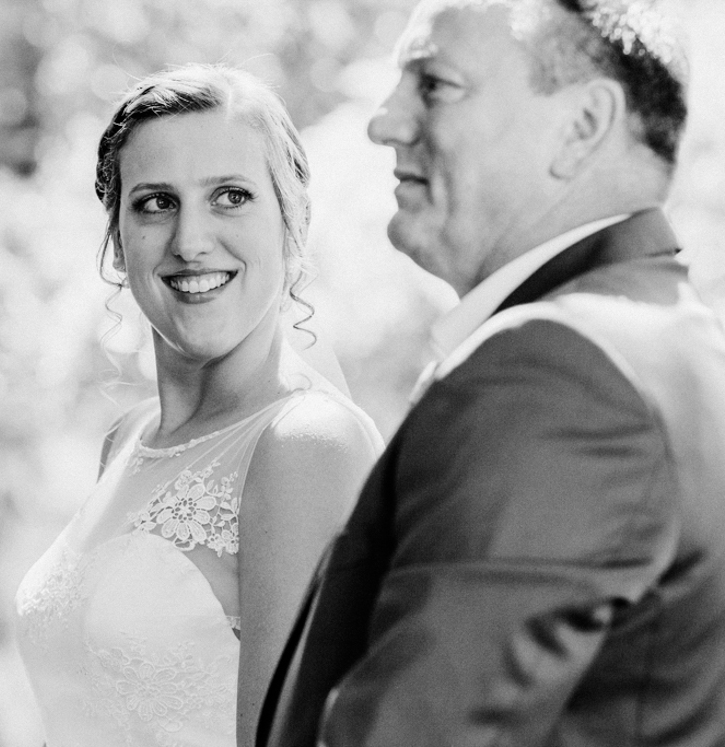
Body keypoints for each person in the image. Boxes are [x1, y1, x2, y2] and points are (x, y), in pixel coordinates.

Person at [258, 1, 725, 745]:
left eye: (434, 84)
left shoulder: (555, 373)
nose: (384, 122)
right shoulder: (675, 345)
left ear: (581, 126)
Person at [14, 64, 383, 747]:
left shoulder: (305, 445)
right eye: (156, 202)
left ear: (293, 219)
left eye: (231, 196)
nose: (190, 241)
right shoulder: (127, 440)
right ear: (117, 239)